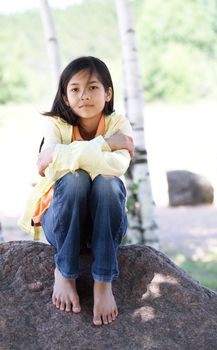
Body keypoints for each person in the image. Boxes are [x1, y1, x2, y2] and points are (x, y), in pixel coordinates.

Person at [18, 56, 134, 327]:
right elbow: (52, 172)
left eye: (93, 87)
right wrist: (105, 144)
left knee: (106, 183)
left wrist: (59, 154)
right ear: (65, 96)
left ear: (108, 93)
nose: (84, 95)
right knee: (74, 181)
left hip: (101, 226)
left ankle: (103, 282)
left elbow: (116, 166)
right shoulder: (56, 125)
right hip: (60, 220)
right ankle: (65, 271)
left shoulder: (119, 125)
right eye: (75, 89)